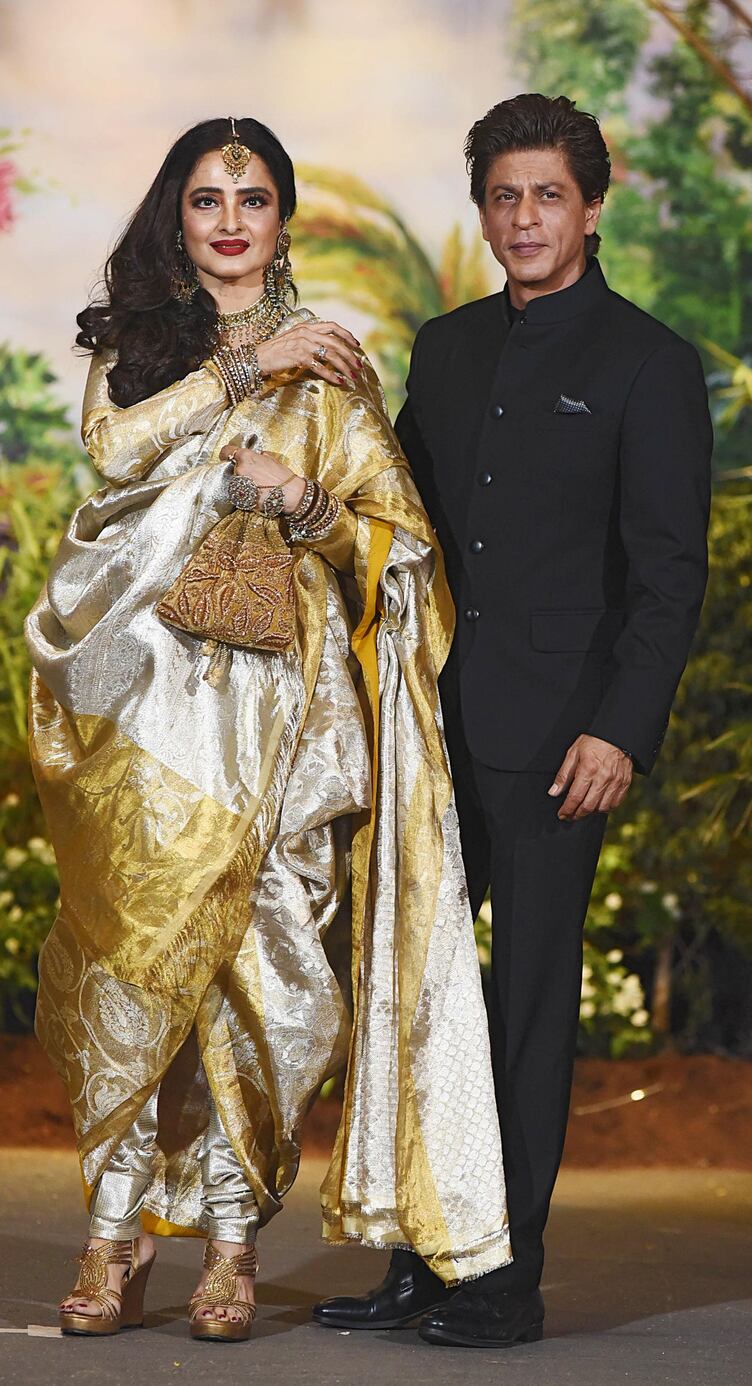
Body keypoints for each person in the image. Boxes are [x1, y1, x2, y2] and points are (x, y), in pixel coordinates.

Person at [25, 116, 511, 1342]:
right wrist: (244, 369)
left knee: (264, 975)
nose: (230, 219)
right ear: (175, 218)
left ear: (283, 218)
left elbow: (392, 544)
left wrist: (304, 503)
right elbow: (109, 454)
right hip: (147, 716)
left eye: (252, 197)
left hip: (285, 722)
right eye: (205, 198)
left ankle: (232, 1246)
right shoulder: (136, 350)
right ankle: (114, 1229)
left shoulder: (332, 367)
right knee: (136, 962)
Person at [313, 93, 712, 1349]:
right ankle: (418, 1261)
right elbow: (408, 529)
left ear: (590, 208)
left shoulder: (646, 363)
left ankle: (501, 1280)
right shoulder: (445, 345)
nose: (522, 217)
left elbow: (665, 578)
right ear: (480, 209)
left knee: (524, 1010)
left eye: (545, 194)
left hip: (558, 746)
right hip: (429, 729)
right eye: (502, 195)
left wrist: (620, 730)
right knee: (416, 1001)